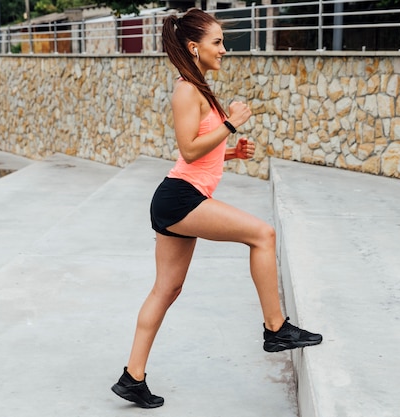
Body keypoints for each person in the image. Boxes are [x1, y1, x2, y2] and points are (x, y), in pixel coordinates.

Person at [111, 8, 322, 409]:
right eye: (217, 42)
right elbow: (188, 149)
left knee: (166, 289)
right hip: (180, 197)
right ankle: (276, 328)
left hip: (180, 196)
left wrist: (230, 154)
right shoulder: (186, 89)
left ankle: (132, 377)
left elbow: (202, 152)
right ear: (195, 47)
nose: (224, 49)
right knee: (263, 234)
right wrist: (232, 125)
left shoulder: (198, 85)